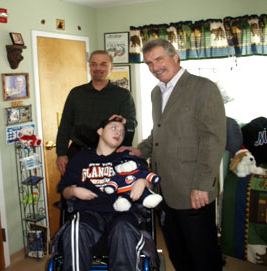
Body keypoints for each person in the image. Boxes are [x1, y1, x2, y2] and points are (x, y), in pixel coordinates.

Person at [119, 38, 226, 271]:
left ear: (175, 57)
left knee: (203, 253)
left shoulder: (203, 88)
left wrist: (202, 184)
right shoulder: (157, 93)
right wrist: (140, 149)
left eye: (159, 59)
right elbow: (159, 132)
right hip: (164, 188)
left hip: (193, 188)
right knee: (178, 251)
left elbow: (213, 139)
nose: (155, 67)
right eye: (149, 63)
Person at [56, 118, 154, 271]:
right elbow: (65, 192)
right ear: (100, 131)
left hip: (122, 213)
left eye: (122, 132)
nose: (119, 133)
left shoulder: (129, 158)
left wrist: (142, 181)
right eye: (113, 128)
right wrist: (74, 191)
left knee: (123, 229)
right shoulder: (80, 159)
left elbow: (150, 182)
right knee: (76, 228)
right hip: (89, 212)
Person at [56, 50, 137, 176]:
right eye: (94, 64)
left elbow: (132, 123)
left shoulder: (123, 95)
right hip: (79, 154)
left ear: (111, 68)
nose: (98, 68)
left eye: (103, 64)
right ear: (89, 67)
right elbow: (65, 125)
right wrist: (61, 154)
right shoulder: (76, 93)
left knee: (111, 193)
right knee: (73, 193)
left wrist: (124, 121)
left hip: (111, 157)